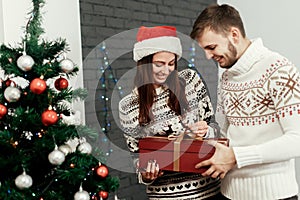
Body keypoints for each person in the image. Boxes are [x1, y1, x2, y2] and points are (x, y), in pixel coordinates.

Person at [190, 3, 300, 200]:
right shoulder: (226, 77)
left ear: (234, 34)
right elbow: (225, 133)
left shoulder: (280, 70)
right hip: (229, 192)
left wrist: (236, 156)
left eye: (211, 47)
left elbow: (297, 140)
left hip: (273, 195)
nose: (207, 56)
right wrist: (206, 132)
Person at [119, 25, 222, 199]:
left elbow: (215, 128)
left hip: (209, 191)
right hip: (167, 196)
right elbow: (137, 157)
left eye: (171, 63)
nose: (166, 70)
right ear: (144, 63)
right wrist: (146, 175)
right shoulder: (128, 106)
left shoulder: (190, 81)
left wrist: (206, 131)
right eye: (159, 64)